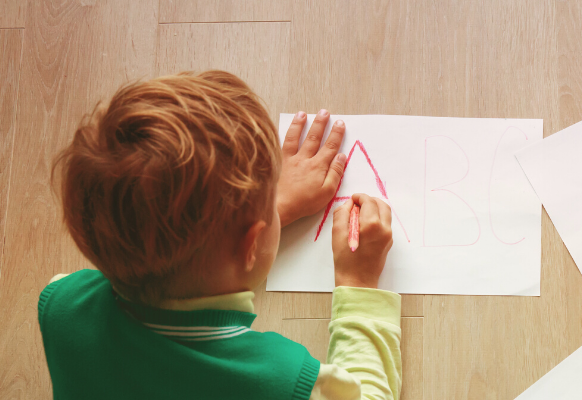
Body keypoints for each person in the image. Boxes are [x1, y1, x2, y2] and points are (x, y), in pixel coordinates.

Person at [41, 70, 402, 400]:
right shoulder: (279, 383)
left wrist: (255, 214)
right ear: (251, 245)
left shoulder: (60, 306)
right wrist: (359, 284)